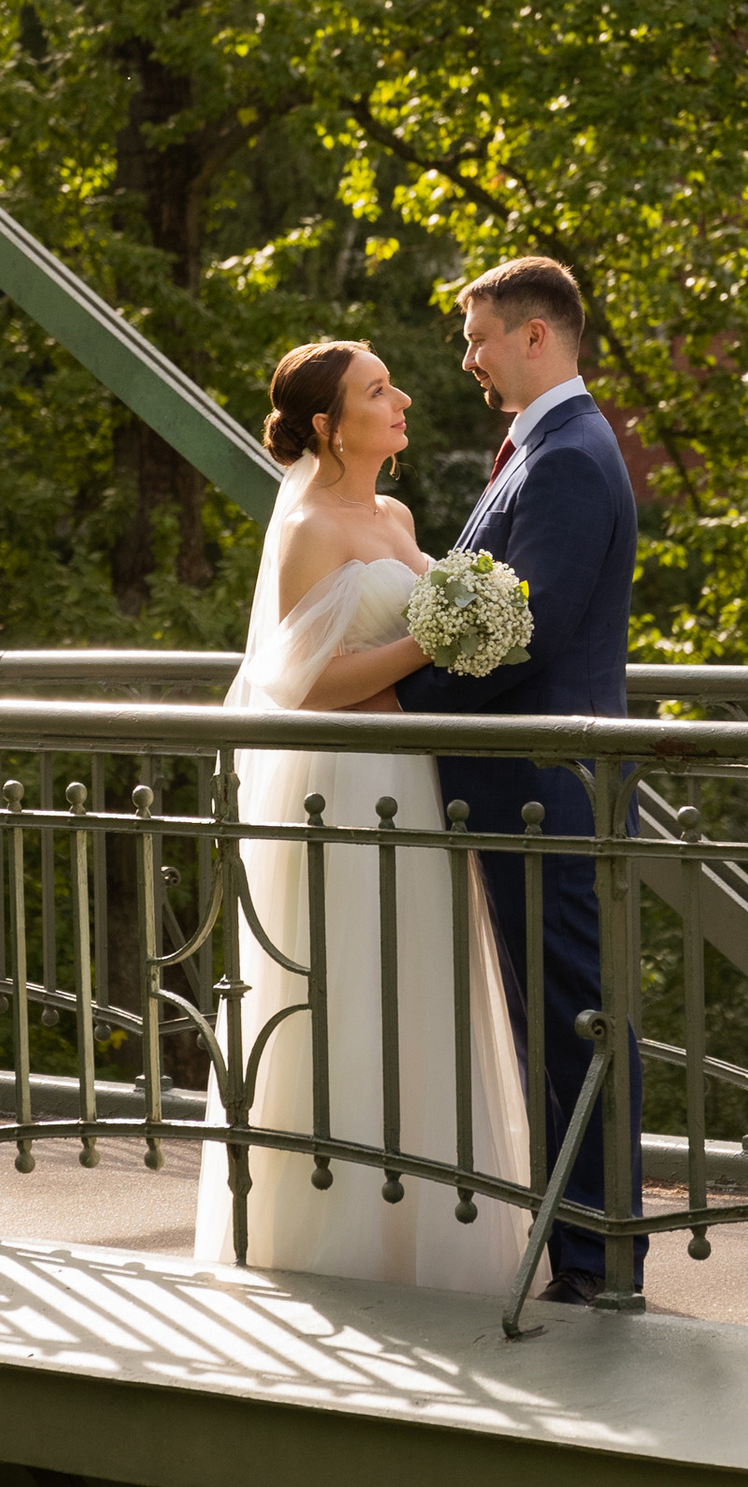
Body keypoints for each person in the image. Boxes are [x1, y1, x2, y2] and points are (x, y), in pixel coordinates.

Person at [190, 339, 532, 1293]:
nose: (402, 398)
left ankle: (432, 1227)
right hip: (344, 786)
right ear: (329, 426)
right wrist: (429, 641)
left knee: (423, 980)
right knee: (350, 981)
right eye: (378, 391)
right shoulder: (307, 528)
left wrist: (472, 626)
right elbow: (299, 685)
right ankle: (335, 1234)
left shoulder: (396, 515)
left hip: (415, 776)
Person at [391, 257, 642, 1307]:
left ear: (534, 335)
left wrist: (397, 702)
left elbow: (525, 636)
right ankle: (581, 1241)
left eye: (478, 338)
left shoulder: (568, 458)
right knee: (553, 1017)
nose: (468, 359)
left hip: (543, 788)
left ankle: (596, 1259)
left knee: (572, 1018)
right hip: (522, 787)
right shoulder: (544, 449)